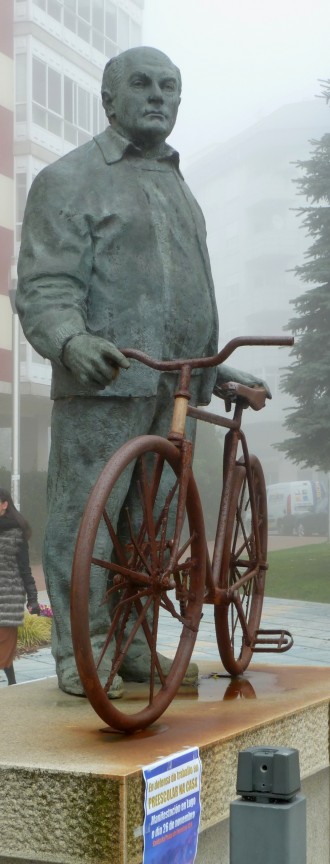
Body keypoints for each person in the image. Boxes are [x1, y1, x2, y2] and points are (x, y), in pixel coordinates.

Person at [16, 46, 268, 699]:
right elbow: (44, 286)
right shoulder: (69, 180)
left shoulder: (179, 188)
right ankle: (86, 652)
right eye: (142, 84)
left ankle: (131, 647)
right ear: (109, 99)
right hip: (105, 381)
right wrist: (70, 340)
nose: (157, 96)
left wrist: (217, 371)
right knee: (87, 520)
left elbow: (190, 297)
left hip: (174, 386)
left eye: (169, 87)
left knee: (149, 532)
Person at [0, 488, 40, 686]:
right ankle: (13, 684)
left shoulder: (17, 532)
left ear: (4, 504)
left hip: (8, 597)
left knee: (4, 644)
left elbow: (25, 569)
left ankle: (12, 684)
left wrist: (33, 599)